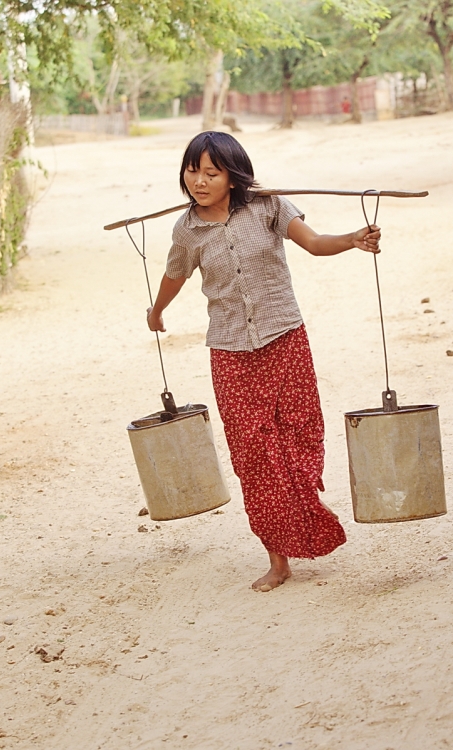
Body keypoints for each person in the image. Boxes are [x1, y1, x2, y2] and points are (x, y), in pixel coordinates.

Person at [147, 131, 381, 592]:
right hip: (230, 351)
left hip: (284, 337)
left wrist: (354, 239)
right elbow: (175, 274)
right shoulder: (186, 230)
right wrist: (157, 311)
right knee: (253, 457)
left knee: (298, 435)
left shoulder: (269, 206)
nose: (199, 181)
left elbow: (314, 244)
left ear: (233, 176)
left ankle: (304, 507)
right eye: (192, 171)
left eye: (211, 172)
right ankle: (278, 559)